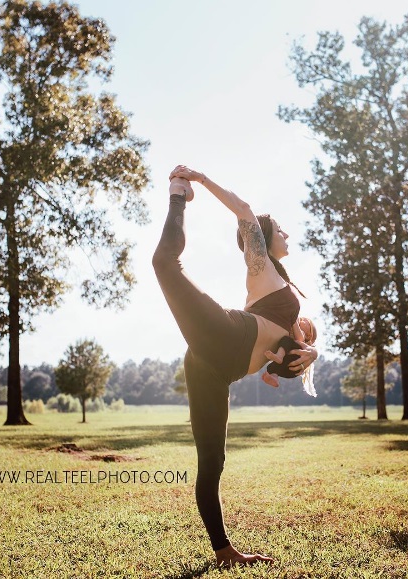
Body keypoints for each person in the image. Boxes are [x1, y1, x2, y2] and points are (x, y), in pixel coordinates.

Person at [152, 165, 318, 567]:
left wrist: (310, 352)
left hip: (213, 368)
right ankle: (177, 193)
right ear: (262, 238)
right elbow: (244, 211)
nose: (287, 235)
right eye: (280, 230)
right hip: (226, 336)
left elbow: (289, 358)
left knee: (213, 461)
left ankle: (224, 550)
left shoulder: (288, 316)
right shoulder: (264, 272)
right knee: (164, 263)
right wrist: (198, 179)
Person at [262, 316, 317, 394]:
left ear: (309, 335)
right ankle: (274, 377)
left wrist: (294, 319)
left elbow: (299, 339)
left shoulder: (303, 337)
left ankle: (279, 357)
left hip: (296, 362)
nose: (303, 319)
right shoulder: (291, 333)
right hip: (287, 370)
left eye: (306, 321)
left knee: (286, 340)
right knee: (272, 367)